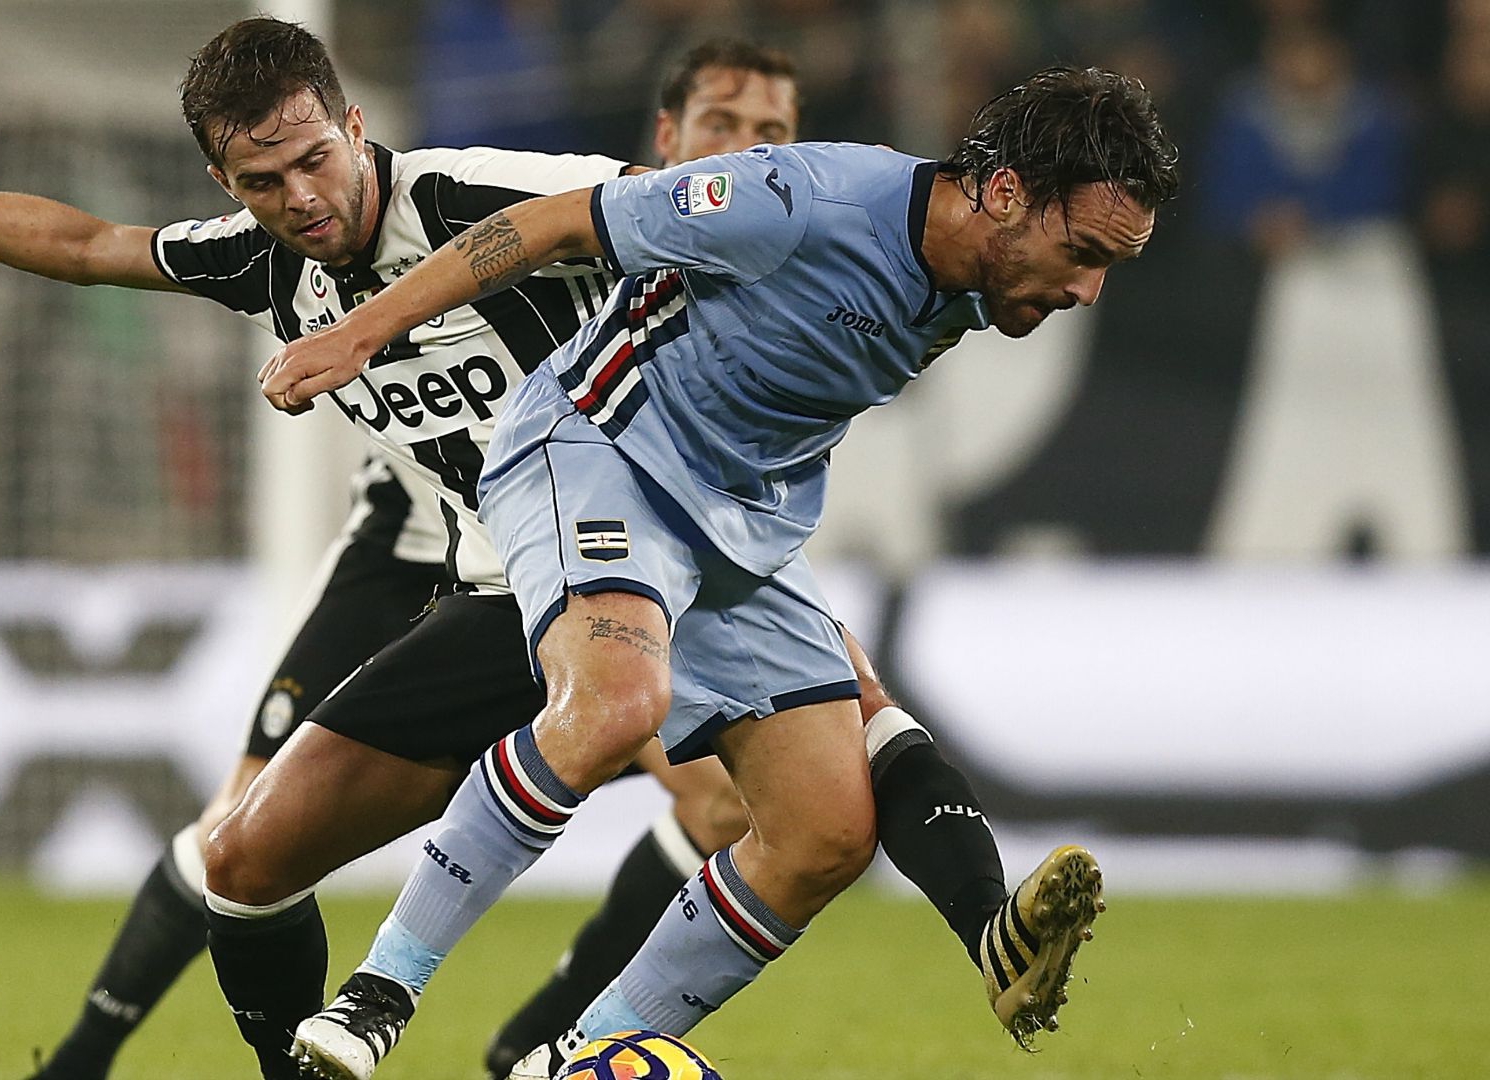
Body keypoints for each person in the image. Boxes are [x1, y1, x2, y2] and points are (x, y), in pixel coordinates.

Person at [0, 20, 1041, 1079]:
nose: (302, 197)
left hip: (637, 557)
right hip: (483, 595)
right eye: (263, 180)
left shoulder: (475, 192)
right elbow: (83, 243)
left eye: (316, 158)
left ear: (356, 126)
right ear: (225, 183)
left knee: (777, 796)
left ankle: (555, 1048)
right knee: (241, 861)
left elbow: (639, 225)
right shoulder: (264, 264)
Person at [263, 65, 1178, 1079]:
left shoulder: (978, 276)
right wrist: (362, 328)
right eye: (1083, 253)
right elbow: (556, 224)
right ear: (1006, 193)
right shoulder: (801, 202)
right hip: (596, 446)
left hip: (739, 523)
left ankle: (579, 1059)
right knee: (615, 702)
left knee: (825, 830)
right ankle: (378, 994)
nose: (1088, 290)